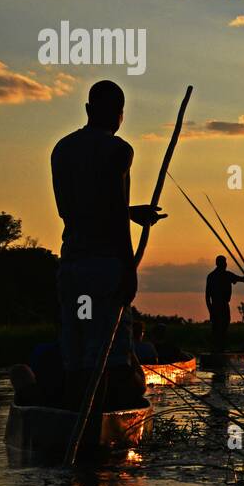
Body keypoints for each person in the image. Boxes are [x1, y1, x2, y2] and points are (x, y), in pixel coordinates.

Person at [51, 80, 162, 412]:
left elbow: (72, 211)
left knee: (76, 353)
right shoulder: (119, 150)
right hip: (104, 268)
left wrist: (131, 212)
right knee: (110, 357)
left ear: (88, 110)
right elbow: (112, 214)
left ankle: (74, 424)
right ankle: (99, 434)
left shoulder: (62, 149)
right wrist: (128, 270)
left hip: (71, 267)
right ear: (119, 115)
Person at [206, 255, 244, 353]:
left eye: (225, 263)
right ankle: (218, 351)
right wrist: (211, 311)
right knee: (219, 329)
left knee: (219, 329)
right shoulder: (220, 276)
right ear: (219, 264)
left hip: (217, 307)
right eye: (224, 263)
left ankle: (219, 350)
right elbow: (207, 296)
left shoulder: (217, 275)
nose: (225, 265)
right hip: (219, 306)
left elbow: (243, 279)